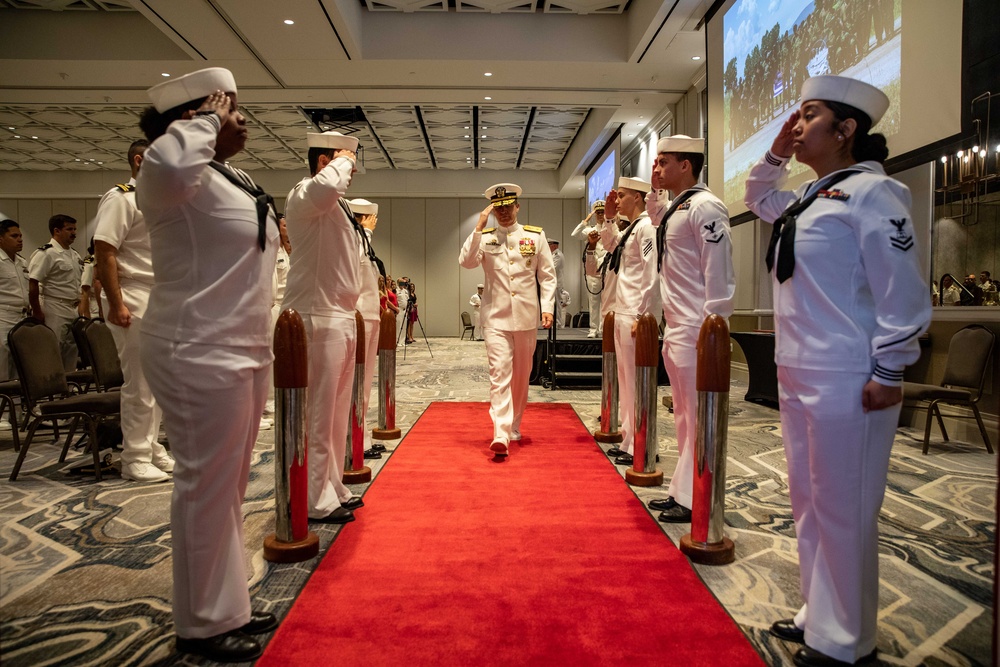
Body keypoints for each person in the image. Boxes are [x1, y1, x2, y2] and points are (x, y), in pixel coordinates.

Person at [745, 74, 931, 667]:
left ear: (847, 130)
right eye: (796, 116)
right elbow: (755, 195)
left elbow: (900, 292)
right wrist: (778, 148)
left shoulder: (876, 195)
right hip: (799, 370)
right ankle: (818, 615)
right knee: (809, 501)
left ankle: (848, 639)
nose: (797, 126)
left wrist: (891, 369)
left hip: (851, 373)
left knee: (846, 507)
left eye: (810, 116)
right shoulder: (809, 196)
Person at [136, 68, 281, 662]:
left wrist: (210, 125)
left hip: (242, 345)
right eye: (231, 108)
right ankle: (202, 623)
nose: (242, 118)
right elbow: (170, 167)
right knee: (204, 488)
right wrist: (202, 123)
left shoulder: (229, 176)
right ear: (192, 119)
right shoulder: (168, 173)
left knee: (229, 487)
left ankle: (228, 605)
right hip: (195, 347)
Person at [645, 134, 735, 524]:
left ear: (687, 165)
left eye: (664, 162)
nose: (657, 168)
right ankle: (687, 490)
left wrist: (714, 328)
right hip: (677, 326)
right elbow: (655, 218)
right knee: (684, 414)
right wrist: (653, 191)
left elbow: (719, 271)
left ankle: (695, 493)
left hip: (698, 326)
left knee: (698, 416)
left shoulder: (706, 207)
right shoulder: (676, 208)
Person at [281, 130, 365, 524]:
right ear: (323, 162)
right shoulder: (304, 194)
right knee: (317, 413)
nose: (351, 170)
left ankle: (331, 484)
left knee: (334, 415)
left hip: (341, 315)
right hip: (318, 315)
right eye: (345, 162)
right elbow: (328, 185)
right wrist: (344, 157)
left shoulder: (338, 205)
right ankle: (314, 497)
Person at [93, 138, 175, 484]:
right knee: (140, 381)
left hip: (157, 295)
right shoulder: (121, 198)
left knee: (158, 381)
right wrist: (116, 303)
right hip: (132, 292)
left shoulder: (159, 201)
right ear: (140, 161)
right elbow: (105, 250)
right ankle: (135, 456)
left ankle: (151, 445)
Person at [459, 183, 556, 456]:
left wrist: (547, 306)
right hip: (495, 319)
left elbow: (547, 276)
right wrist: (478, 228)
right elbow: (466, 261)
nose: (503, 212)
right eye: (498, 208)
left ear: (517, 206)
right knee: (499, 374)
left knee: (521, 377)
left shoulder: (535, 237)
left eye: (507, 206)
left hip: (526, 318)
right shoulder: (486, 237)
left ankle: (514, 424)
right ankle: (500, 432)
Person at [600, 176, 655, 466]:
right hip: (622, 311)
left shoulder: (646, 228)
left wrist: (644, 313)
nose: (617, 200)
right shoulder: (632, 228)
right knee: (625, 380)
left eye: (622, 196)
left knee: (636, 382)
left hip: (634, 313)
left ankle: (641, 442)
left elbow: (650, 273)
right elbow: (612, 246)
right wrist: (609, 218)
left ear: (638, 197)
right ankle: (629, 438)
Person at [348, 198, 384, 457]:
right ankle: (353, 441)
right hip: (358, 317)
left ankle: (362, 437)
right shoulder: (355, 240)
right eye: (372, 219)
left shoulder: (364, 243)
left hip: (371, 317)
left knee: (365, 382)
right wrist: (366, 231)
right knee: (355, 383)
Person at [27, 214, 83, 372]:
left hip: (73, 307)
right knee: (53, 349)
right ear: (56, 231)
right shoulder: (46, 253)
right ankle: (51, 387)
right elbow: (33, 283)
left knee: (71, 350)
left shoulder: (74, 254)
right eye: (69, 229)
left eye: (75, 229)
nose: (74, 232)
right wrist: (37, 310)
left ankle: (69, 386)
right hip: (54, 306)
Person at [261, 213, 292, 428]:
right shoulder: (270, 247)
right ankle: (267, 401)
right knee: (269, 356)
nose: (287, 227)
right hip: (273, 307)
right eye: (284, 224)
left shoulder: (284, 250)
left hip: (284, 306)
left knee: (279, 356)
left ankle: (271, 399)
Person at [571, 200, 607, 337]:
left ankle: (603, 329)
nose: (600, 215)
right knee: (593, 302)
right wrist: (586, 220)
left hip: (607, 270)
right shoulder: (590, 230)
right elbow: (575, 234)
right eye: (597, 213)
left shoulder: (611, 229)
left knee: (606, 302)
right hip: (593, 270)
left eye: (602, 212)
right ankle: (593, 329)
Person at [0, 219, 29, 385]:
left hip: (21, 317)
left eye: (20, 236)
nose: (20, 239)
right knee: (3, 367)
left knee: (19, 367)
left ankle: (17, 409)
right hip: (3, 315)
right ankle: (3, 410)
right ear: (1, 239)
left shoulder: (21, 262)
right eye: (14, 236)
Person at [79, 241, 103, 320]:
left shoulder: (104, 262)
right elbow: (84, 292)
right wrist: (86, 316)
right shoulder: (90, 264)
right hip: (94, 311)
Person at [548, 238, 566, 327]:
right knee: (554, 304)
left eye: (549, 245)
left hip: (556, 283)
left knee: (557, 304)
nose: (548, 247)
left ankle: (558, 323)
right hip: (553, 283)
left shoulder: (557, 255)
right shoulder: (552, 254)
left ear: (554, 246)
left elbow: (552, 268)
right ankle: (555, 323)